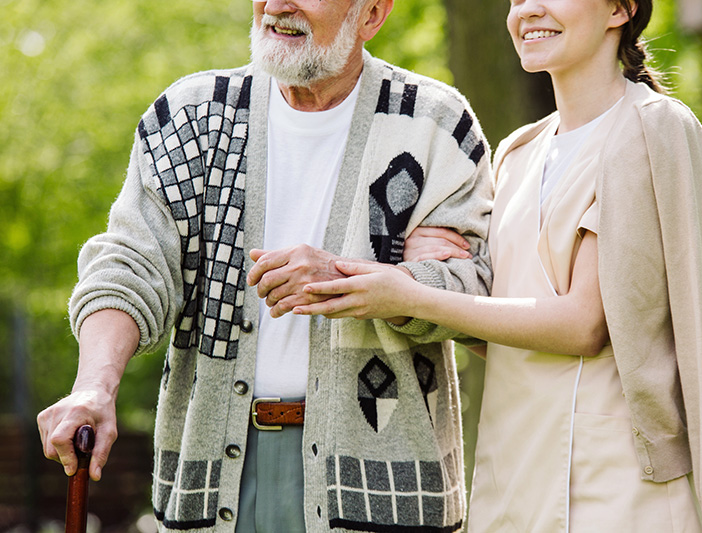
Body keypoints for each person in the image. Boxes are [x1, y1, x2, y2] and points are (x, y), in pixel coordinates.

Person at [36, 0, 493, 531]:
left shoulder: (434, 124)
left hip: (384, 485)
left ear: (371, 14)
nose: (277, 5)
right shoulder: (190, 116)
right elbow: (130, 263)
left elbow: (477, 296)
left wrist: (360, 280)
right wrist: (95, 384)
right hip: (211, 479)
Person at [292, 0, 702, 531]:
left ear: (620, 9)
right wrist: (423, 274)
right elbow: (497, 334)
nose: (528, 10)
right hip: (514, 480)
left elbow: (584, 324)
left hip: (615, 488)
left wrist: (408, 296)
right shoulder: (518, 154)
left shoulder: (652, 128)